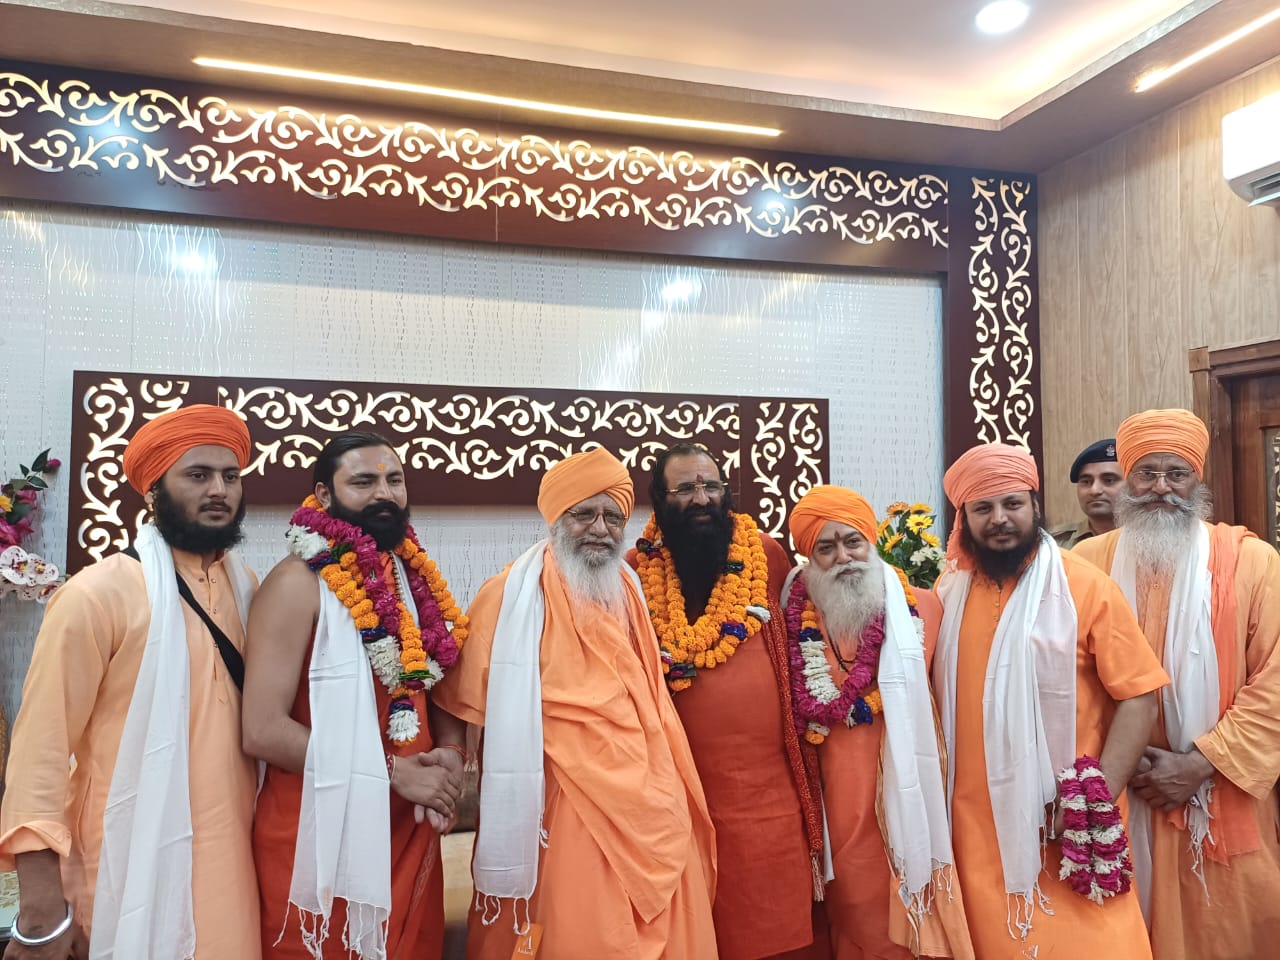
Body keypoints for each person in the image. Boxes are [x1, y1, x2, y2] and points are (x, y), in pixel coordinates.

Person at [433, 445, 718, 959]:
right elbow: (455, 700)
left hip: (649, 787)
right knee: (578, 931)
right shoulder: (507, 595)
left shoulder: (628, 589)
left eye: (613, 517)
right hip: (559, 798)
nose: (600, 529)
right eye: (584, 514)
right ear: (556, 518)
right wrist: (452, 759)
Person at [0, 404, 262, 959]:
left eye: (230, 476)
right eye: (198, 475)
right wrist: (40, 909)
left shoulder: (249, 589)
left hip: (236, 869)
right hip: (122, 865)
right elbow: (40, 755)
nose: (219, 490)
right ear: (153, 490)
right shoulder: (96, 594)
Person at [933, 442, 1167, 959]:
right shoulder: (947, 592)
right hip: (971, 822)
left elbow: (1140, 696)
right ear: (963, 517)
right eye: (983, 507)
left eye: (1013, 504)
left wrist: (1095, 798)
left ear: (1035, 505)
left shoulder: (1084, 586)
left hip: (1066, 817)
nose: (1000, 519)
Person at [244, 431, 468, 959]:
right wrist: (391, 772)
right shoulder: (296, 584)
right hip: (319, 833)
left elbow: (433, 683)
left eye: (395, 480)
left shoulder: (407, 578)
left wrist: (451, 758)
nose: (384, 494)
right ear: (324, 495)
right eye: (364, 482)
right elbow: (261, 730)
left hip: (406, 827)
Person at [1074, 409, 1280, 960]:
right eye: (1146, 473)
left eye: (1177, 474)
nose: (1161, 488)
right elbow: (1069, 678)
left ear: (1197, 481)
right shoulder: (1085, 563)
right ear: (1127, 479)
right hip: (1119, 787)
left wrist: (1198, 764)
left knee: (1231, 934)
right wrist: (1124, 760)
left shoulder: (1253, 562)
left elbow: (1275, 680)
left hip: (1220, 793)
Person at [628, 443, 825, 960]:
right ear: (659, 499)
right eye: (685, 489)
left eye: (711, 486)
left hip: (770, 793)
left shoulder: (766, 554)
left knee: (776, 935)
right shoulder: (635, 571)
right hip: (681, 795)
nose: (701, 499)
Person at [784, 486, 973, 960]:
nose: (843, 557)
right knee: (852, 905)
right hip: (832, 796)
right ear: (808, 558)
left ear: (871, 542)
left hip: (909, 787)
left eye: (853, 542)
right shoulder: (793, 617)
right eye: (826, 548)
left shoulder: (926, 607)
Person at [1052, 439, 1123, 549]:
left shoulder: (1148, 541)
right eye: (1086, 482)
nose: (1095, 490)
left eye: (1109, 480)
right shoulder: (1053, 544)